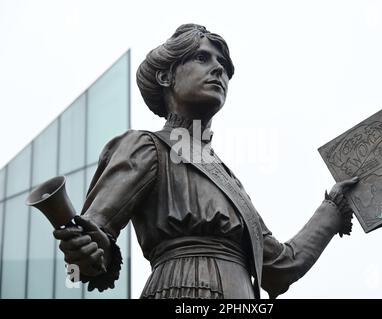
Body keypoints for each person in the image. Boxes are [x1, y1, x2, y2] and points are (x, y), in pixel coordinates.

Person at [53, 24, 358, 299]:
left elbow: (280, 267)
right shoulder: (146, 146)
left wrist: (334, 208)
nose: (218, 70)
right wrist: (88, 250)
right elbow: (94, 236)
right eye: (202, 58)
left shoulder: (230, 183)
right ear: (165, 76)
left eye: (223, 65)